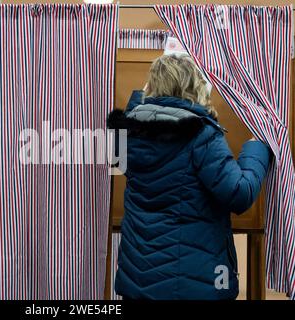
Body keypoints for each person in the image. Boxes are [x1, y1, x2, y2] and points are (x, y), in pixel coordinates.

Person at [107, 54, 271, 300]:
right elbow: (239, 194)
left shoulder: (129, 135)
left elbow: (125, 149)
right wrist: (257, 146)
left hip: (138, 277)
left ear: (151, 85)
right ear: (194, 85)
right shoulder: (200, 134)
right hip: (195, 283)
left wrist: (141, 96)